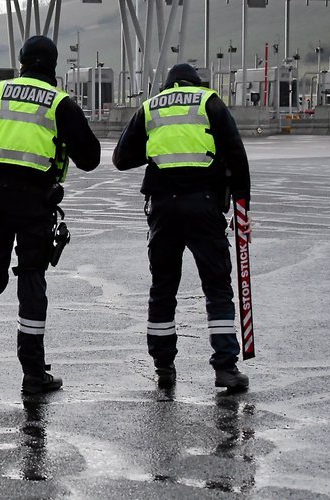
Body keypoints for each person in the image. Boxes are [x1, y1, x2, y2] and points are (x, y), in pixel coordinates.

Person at [0, 35, 101, 394]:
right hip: (36, 204)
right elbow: (91, 158)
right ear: (52, 65)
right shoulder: (59, 103)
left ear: (21, 61)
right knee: (31, 280)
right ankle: (33, 373)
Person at [112, 63, 251, 391]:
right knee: (217, 288)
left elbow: (120, 158)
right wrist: (242, 208)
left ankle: (163, 366)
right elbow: (236, 156)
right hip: (204, 206)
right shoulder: (210, 102)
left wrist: (154, 150)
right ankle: (225, 368)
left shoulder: (150, 107)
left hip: (163, 208)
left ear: (169, 84)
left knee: (163, 289)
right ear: (195, 83)